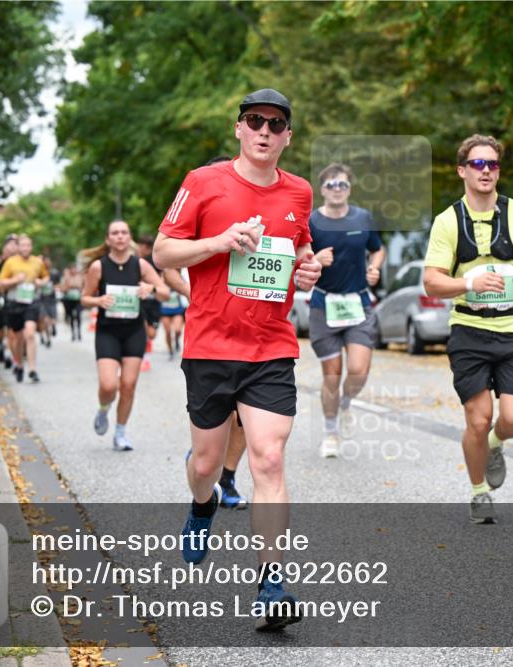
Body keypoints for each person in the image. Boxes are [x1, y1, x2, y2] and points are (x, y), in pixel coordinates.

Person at [153, 88, 322, 631]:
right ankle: (202, 506)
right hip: (210, 345)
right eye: (255, 121)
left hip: (271, 346)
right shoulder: (203, 182)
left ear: (287, 137)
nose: (265, 130)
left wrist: (307, 269)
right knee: (205, 465)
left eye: (276, 123)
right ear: (239, 129)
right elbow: (162, 252)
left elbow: (298, 249)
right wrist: (221, 241)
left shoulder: (299, 191)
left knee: (268, 460)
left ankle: (271, 584)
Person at [422, 134, 513, 525]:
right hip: (468, 330)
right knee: (477, 418)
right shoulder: (448, 221)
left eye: (492, 164)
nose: (486, 171)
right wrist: (468, 284)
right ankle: (479, 491)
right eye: (478, 164)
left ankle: (496, 444)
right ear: (462, 170)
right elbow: (431, 281)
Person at [308, 163, 385, 457]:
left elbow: (378, 248)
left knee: (358, 371)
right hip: (323, 305)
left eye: (342, 185)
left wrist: (374, 268)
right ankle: (330, 433)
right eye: (331, 185)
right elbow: (300, 258)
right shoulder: (312, 221)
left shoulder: (363, 217)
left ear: (350, 188)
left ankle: (345, 402)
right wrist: (315, 259)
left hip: (358, 304)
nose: (337, 190)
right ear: (322, 189)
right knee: (331, 374)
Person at [81, 221, 171, 451]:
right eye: (115, 233)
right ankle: (103, 408)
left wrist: (151, 289)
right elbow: (84, 298)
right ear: (108, 239)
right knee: (109, 385)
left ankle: (120, 433)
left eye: (123, 232)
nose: (119, 236)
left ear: (128, 238)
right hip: (108, 331)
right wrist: (98, 301)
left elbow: (165, 292)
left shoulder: (140, 265)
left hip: (133, 331)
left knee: (128, 385)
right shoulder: (98, 267)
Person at [0, 234, 49, 383]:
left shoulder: (38, 262)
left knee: (30, 334)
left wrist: (40, 282)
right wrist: (15, 280)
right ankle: (19, 364)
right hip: (14, 303)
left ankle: (32, 369)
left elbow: (46, 277)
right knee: (18, 338)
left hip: (32, 301)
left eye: (28, 245)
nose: (26, 248)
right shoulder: (10, 262)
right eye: (23, 245)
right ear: (18, 247)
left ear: (31, 247)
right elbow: (0, 282)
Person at [0, 236, 18, 368]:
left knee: (12, 330)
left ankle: (10, 355)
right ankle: (2, 347)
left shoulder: (21, 263)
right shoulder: (0, 265)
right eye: (10, 246)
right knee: (1, 330)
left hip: (16, 301)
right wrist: (4, 286)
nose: (13, 248)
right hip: (0, 300)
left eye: (15, 245)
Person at [136, 235, 162, 371]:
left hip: (154, 302)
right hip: (141, 302)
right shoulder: (137, 262)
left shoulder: (156, 261)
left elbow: (165, 277)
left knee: (151, 334)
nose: (139, 248)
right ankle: (143, 358)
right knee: (143, 329)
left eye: (140, 246)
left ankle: (145, 355)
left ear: (146, 247)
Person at [59, 265, 85, 341]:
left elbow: (84, 287)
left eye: (75, 269)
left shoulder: (80, 277)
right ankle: (73, 333)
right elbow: (62, 288)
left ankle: (79, 332)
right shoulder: (66, 277)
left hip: (78, 300)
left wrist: (78, 288)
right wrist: (69, 286)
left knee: (78, 315)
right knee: (72, 317)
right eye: (72, 269)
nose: (74, 270)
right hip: (69, 300)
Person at [37, 256, 58, 348]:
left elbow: (58, 284)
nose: (46, 264)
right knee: (44, 320)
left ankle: (53, 327)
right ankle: (48, 338)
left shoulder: (54, 273)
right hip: (41, 300)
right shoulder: (38, 273)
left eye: (48, 262)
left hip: (51, 299)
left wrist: (55, 288)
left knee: (53, 319)